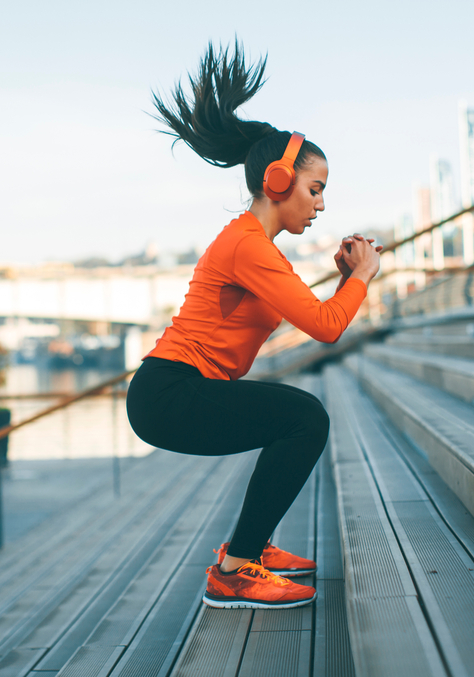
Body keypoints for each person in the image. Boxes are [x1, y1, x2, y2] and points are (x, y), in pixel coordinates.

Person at [125, 42, 382, 610]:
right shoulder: (248, 246)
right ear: (277, 180)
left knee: (294, 419)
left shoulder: (257, 247)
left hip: (178, 389)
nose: (319, 206)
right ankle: (235, 571)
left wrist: (346, 283)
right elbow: (325, 328)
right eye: (315, 190)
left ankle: (249, 552)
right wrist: (363, 276)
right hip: (169, 393)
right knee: (303, 418)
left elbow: (317, 314)